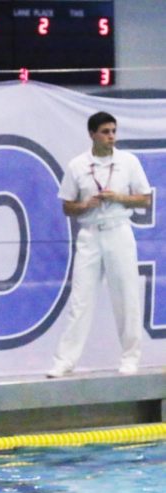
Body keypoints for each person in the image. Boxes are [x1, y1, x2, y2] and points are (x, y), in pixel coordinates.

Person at [47, 111, 152, 378]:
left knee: (126, 296)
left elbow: (145, 199)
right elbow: (67, 206)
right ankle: (65, 361)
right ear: (92, 134)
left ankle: (130, 358)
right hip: (90, 234)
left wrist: (118, 197)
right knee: (80, 300)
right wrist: (86, 204)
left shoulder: (128, 162)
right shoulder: (77, 165)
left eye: (114, 131)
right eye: (105, 132)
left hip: (119, 231)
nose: (111, 137)